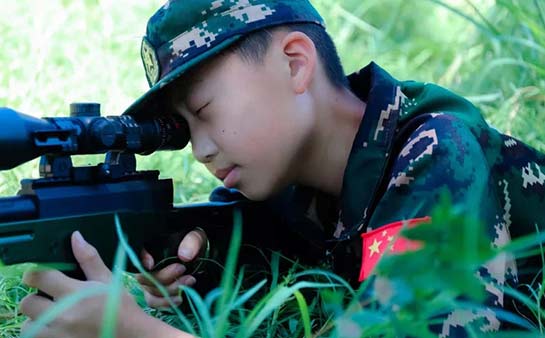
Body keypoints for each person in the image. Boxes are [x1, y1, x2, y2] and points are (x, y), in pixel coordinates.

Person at [19, 0, 545, 337]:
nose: (199, 149)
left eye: (203, 113)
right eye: (180, 127)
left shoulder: (437, 153)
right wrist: (195, 275)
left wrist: (133, 330)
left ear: (295, 62)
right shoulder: (286, 189)